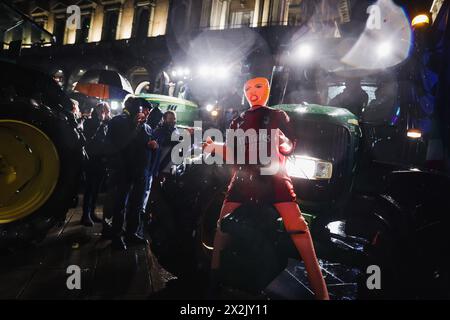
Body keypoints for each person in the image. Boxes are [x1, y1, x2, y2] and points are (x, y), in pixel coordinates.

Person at [203, 77, 329, 300]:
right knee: (221, 227)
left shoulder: (278, 116)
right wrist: (214, 147)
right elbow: (234, 153)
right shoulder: (237, 121)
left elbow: (289, 144)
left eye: (258, 86)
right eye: (248, 88)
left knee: (299, 229)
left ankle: (322, 293)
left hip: (274, 178)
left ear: (268, 90)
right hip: (244, 179)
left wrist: (283, 142)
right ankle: (213, 281)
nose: (252, 91)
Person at [102, 96, 154, 250]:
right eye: (143, 109)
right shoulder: (119, 121)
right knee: (120, 204)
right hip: (123, 170)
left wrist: (151, 144)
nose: (146, 113)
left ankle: (132, 232)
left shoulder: (147, 127)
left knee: (137, 204)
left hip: (141, 171)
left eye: (147, 111)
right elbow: (121, 142)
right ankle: (116, 235)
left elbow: (145, 143)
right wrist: (136, 125)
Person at [81, 102, 111, 226]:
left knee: (96, 188)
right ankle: (85, 214)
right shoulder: (90, 122)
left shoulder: (105, 124)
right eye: (104, 110)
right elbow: (89, 138)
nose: (105, 113)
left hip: (101, 160)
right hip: (91, 159)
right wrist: (99, 123)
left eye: (106, 111)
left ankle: (92, 212)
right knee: (89, 187)